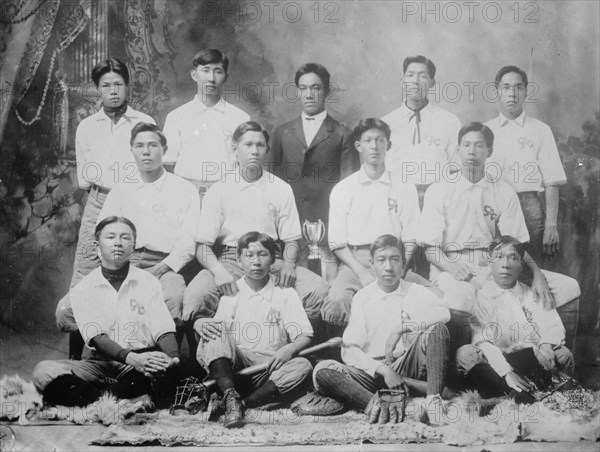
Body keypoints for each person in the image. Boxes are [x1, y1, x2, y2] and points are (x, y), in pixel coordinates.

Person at [182, 121, 329, 355]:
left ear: (267, 151)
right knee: (196, 295)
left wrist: (289, 265)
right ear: (235, 148)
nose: (254, 150)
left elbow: (291, 239)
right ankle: (210, 366)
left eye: (260, 145)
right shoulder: (219, 189)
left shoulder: (279, 188)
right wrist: (219, 271)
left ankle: (299, 353)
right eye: (248, 144)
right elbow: (202, 246)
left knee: (317, 289)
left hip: (271, 259)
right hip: (231, 260)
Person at [56, 123, 200, 351]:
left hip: (164, 267)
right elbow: (103, 233)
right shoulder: (121, 189)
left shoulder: (184, 190)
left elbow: (187, 244)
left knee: (172, 299)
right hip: (121, 263)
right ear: (131, 150)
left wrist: (161, 269)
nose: (146, 151)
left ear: (164, 149)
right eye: (139, 146)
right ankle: (111, 357)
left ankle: (163, 363)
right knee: (66, 309)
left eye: (153, 145)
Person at [417, 122, 580, 316]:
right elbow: (430, 250)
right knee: (462, 298)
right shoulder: (439, 190)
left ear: (489, 151)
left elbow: (515, 244)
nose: (472, 151)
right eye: (466, 145)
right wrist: (453, 267)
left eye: (479, 145)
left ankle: (554, 346)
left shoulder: (502, 190)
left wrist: (538, 274)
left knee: (568, 288)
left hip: (493, 266)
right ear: (458, 149)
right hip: (450, 266)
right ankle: (475, 345)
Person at [34, 217, 180, 407]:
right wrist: (131, 358)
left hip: (141, 362)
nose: (118, 243)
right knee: (43, 371)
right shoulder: (84, 288)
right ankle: (118, 401)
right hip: (102, 365)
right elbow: (97, 338)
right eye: (111, 237)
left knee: (158, 373)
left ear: (134, 246)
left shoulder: (148, 282)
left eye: (125, 238)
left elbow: (163, 328)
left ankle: (92, 399)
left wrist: (173, 358)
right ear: (97, 245)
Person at [312, 235, 450, 425]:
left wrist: (402, 328)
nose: (388, 267)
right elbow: (350, 349)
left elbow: (444, 312)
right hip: (372, 374)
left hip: (405, 364)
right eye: (381, 260)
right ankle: (377, 405)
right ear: (372, 264)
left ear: (403, 262)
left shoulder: (414, 290)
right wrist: (383, 370)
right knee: (323, 369)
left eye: (395, 259)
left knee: (438, 329)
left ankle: (433, 402)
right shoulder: (363, 297)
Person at [195, 231, 313, 428]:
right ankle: (229, 393)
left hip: (270, 368)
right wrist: (199, 323)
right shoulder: (231, 293)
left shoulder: (285, 293)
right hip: (237, 368)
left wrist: (289, 349)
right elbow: (217, 339)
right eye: (249, 255)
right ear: (239, 260)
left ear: (273, 259)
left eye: (263, 254)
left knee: (303, 365)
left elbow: (305, 334)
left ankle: (241, 404)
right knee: (216, 332)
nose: (256, 262)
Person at [322, 118, 424, 338]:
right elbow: (337, 243)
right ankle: (346, 356)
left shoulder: (404, 186)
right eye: (368, 140)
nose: (374, 146)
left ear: (388, 144)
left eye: (380, 140)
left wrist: (401, 267)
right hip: (356, 261)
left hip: (394, 259)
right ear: (359, 146)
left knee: (424, 299)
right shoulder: (343, 189)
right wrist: (360, 272)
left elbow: (411, 237)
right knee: (338, 299)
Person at [456, 236, 574, 400]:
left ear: (520, 265)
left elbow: (553, 325)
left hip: (532, 359)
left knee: (564, 355)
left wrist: (546, 345)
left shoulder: (532, 293)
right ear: (490, 263)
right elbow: (484, 341)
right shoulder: (482, 296)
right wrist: (507, 372)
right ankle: (515, 393)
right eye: (498, 257)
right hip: (498, 359)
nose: (505, 264)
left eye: (513, 258)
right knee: (465, 354)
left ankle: (541, 396)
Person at [71, 58, 155, 288]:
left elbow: (152, 170)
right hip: (98, 201)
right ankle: (82, 322)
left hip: (134, 202)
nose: (113, 91)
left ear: (127, 86)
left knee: (131, 261)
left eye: (118, 84)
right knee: (87, 264)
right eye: (106, 85)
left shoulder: (144, 123)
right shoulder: (87, 126)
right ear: (98, 89)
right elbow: (85, 179)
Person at [270, 63, 359, 270]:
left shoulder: (342, 134)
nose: (309, 94)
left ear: (326, 91)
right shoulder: (282, 133)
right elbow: (272, 185)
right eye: (303, 88)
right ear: (297, 92)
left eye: (316, 88)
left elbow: (348, 191)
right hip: (289, 231)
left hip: (328, 230)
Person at [485, 66, 567, 263]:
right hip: (494, 206)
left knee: (531, 269)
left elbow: (552, 181)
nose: (512, 93)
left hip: (529, 207)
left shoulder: (540, 130)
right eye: (506, 87)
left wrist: (551, 226)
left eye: (518, 87)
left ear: (526, 92)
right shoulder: (486, 130)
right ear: (497, 91)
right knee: (497, 268)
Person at [163, 48, 250, 203]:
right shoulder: (176, 117)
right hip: (184, 196)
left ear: (226, 77)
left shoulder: (240, 118)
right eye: (205, 70)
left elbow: (245, 165)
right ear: (194, 74)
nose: (211, 78)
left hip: (226, 195)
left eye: (218, 71)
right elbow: (167, 164)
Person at [382, 55, 461, 207]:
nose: (416, 82)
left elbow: (456, 170)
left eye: (422, 76)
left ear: (432, 83)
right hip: (397, 201)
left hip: (440, 201)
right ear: (402, 82)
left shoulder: (449, 121)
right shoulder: (386, 123)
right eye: (410, 75)